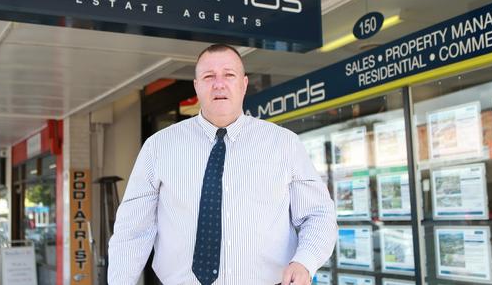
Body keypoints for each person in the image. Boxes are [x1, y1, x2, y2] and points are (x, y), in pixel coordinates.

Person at [108, 44, 337, 285]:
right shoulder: (158, 148)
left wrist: (305, 261)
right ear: (197, 86)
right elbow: (132, 231)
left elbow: (318, 214)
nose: (219, 84)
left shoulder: (283, 143)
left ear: (244, 84)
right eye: (209, 76)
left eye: (229, 75)